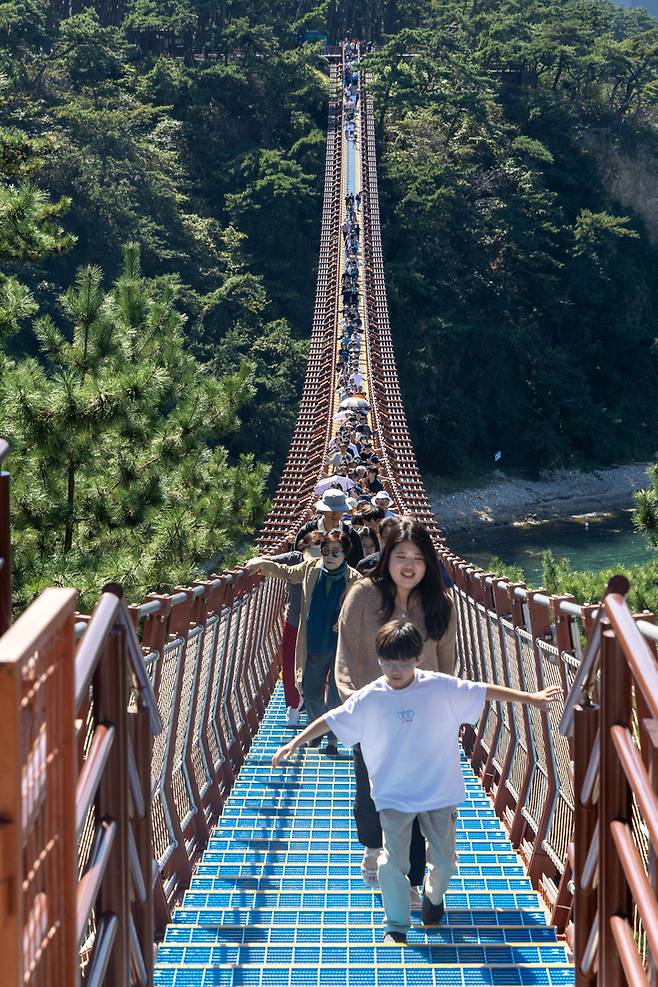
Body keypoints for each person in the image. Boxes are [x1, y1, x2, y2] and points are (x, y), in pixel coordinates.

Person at [273, 619, 562, 943]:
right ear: (379, 659)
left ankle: (433, 899)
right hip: (393, 794)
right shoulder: (371, 696)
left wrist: (531, 698)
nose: (395, 669)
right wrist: (294, 743)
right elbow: (332, 718)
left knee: (443, 863)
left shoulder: (438, 687)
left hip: (438, 791)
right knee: (391, 861)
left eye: (404, 662)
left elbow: (482, 690)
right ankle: (396, 926)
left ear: (418, 660)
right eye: (388, 662)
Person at [335, 518, 458, 895]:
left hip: (424, 723)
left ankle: (411, 881)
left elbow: (447, 660)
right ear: (386, 558)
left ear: (428, 563)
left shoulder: (441, 605)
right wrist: (354, 704)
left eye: (418, 558)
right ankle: (375, 848)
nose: (409, 565)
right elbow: (346, 656)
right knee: (373, 794)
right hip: (374, 716)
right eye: (401, 556)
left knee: (421, 801)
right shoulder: (362, 596)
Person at [245, 529, 361, 756]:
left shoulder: (355, 580)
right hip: (315, 641)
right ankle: (317, 729)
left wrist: (348, 620)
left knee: (336, 694)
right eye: (326, 550)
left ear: (345, 554)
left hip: (340, 645)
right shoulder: (310, 569)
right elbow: (288, 572)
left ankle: (332, 741)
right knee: (309, 689)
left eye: (336, 552)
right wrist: (263, 563)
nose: (329, 556)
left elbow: (365, 605)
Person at [265, 531, 323, 725]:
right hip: (295, 621)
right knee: (290, 664)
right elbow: (269, 561)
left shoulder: (330, 563)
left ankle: (314, 704)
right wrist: (256, 562)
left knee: (318, 664)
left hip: (319, 623)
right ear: (302, 550)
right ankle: (294, 705)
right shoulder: (294, 559)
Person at [295, 490, 363, 567]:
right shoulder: (307, 531)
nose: (335, 514)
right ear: (323, 511)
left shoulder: (351, 536)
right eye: (330, 510)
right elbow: (296, 560)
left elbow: (356, 565)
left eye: (339, 510)